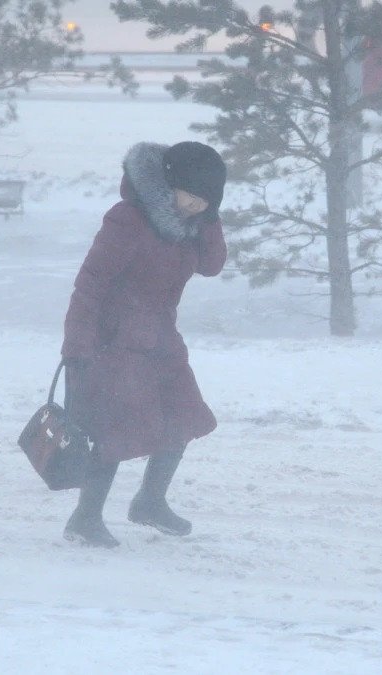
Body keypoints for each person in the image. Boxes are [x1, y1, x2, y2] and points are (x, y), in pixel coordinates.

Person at [60, 141, 228, 548]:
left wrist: (210, 220)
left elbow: (212, 265)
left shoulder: (192, 226)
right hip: (112, 341)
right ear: (171, 184)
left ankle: (150, 501)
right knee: (116, 431)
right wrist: (77, 348)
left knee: (181, 417)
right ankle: (85, 519)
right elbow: (90, 284)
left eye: (205, 201)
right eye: (192, 195)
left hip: (160, 338)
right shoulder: (129, 220)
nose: (194, 206)